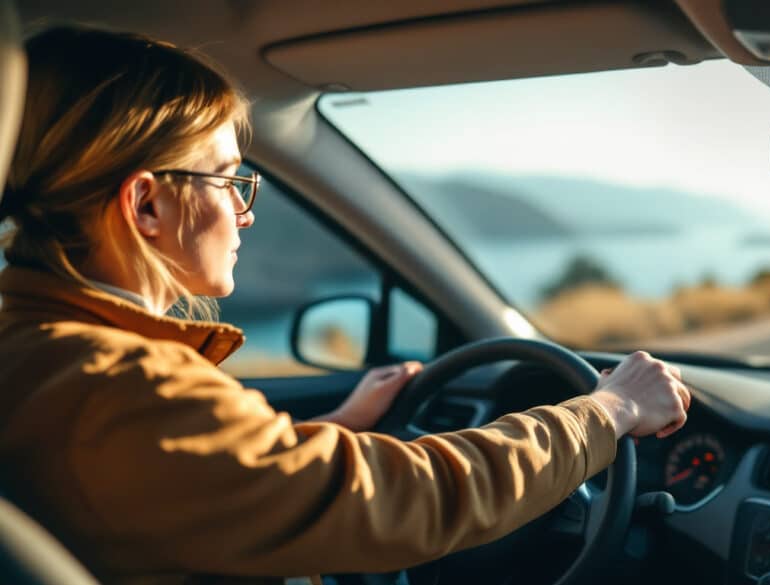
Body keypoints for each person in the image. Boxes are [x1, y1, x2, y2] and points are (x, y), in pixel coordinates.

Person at [0, 26, 692, 585]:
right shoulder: (122, 386)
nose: (243, 215)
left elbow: (186, 487)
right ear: (147, 203)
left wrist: (335, 424)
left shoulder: (41, 352)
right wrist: (607, 412)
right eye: (227, 180)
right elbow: (409, 498)